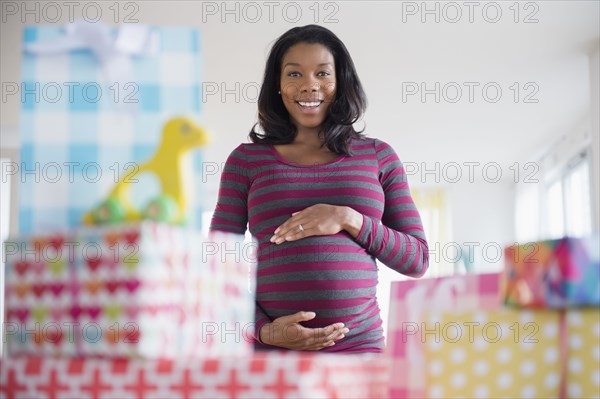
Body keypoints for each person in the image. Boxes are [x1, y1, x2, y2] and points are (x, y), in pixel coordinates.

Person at [210, 25, 429, 353]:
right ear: (278, 86)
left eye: (322, 73)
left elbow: (418, 259)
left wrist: (348, 218)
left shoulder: (378, 156)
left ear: (340, 82)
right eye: (294, 73)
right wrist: (265, 331)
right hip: (273, 354)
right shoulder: (246, 160)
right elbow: (217, 264)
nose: (309, 85)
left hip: (359, 350)